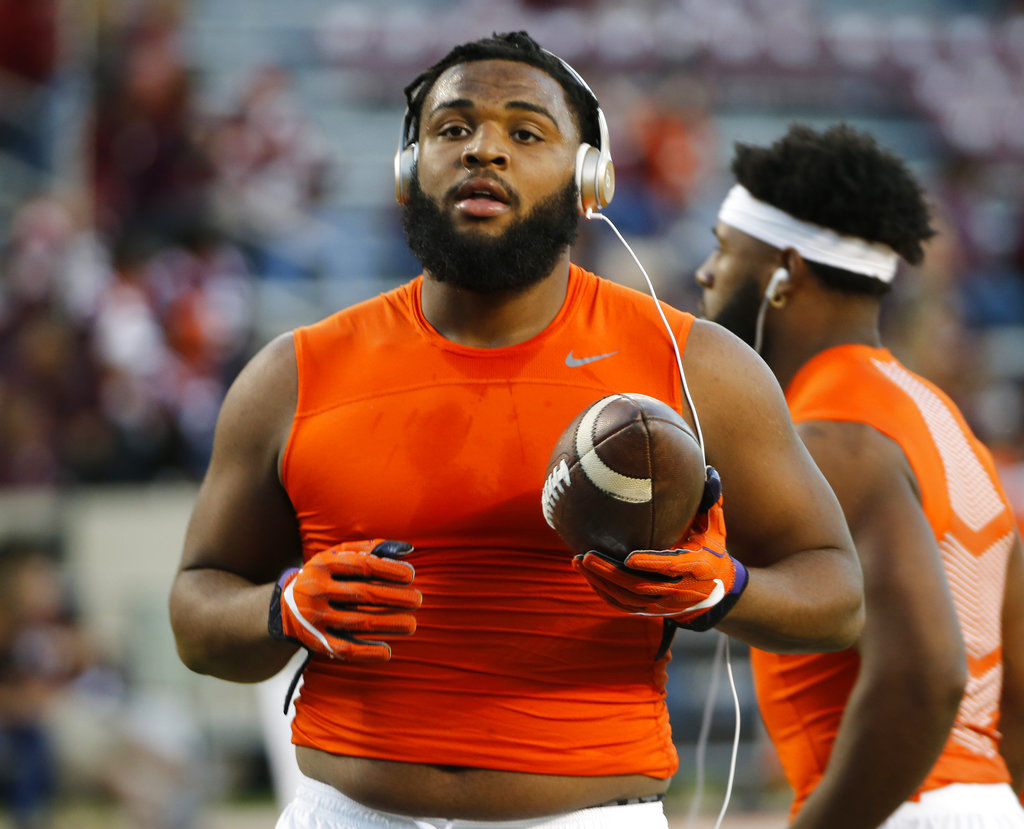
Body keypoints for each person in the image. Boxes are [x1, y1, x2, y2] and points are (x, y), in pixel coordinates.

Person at [169, 32, 864, 829]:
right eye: (453, 128)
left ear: (589, 180)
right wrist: (283, 608)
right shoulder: (291, 373)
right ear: (409, 169)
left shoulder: (696, 366)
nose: (484, 150)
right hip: (347, 811)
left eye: (525, 132)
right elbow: (197, 608)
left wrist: (724, 588)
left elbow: (837, 594)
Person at [696, 123, 1024, 828]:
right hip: (984, 798)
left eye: (724, 250)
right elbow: (1017, 693)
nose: (705, 273)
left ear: (784, 270)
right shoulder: (943, 419)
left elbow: (929, 678)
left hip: (905, 807)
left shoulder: (833, 437)